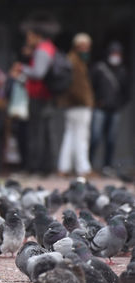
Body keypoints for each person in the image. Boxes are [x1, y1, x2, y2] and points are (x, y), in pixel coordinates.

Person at [13, 24, 57, 176]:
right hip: (45, 97)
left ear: (38, 36)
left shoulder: (41, 50)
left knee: (36, 133)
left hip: (39, 97)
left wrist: (22, 68)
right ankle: (46, 167)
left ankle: (36, 168)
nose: (28, 40)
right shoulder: (49, 48)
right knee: (45, 133)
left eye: (29, 36)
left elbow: (38, 73)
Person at [90, 41, 130, 176]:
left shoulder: (123, 71)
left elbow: (127, 92)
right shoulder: (99, 68)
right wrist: (97, 101)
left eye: (118, 53)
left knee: (111, 140)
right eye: (113, 53)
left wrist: (119, 104)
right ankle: (89, 164)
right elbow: (91, 87)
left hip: (114, 110)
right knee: (95, 137)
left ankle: (107, 166)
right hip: (100, 108)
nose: (115, 56)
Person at [57, 33, 94, 177]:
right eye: (83, 46)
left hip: (72, 104)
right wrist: (86, 100)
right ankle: (83, 168)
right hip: (78, 104)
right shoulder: (74, 61)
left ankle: (63, 167)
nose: (86, 49)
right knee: (81, 136)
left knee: (70, 136)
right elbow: (76, 87)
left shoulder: (73, 60)